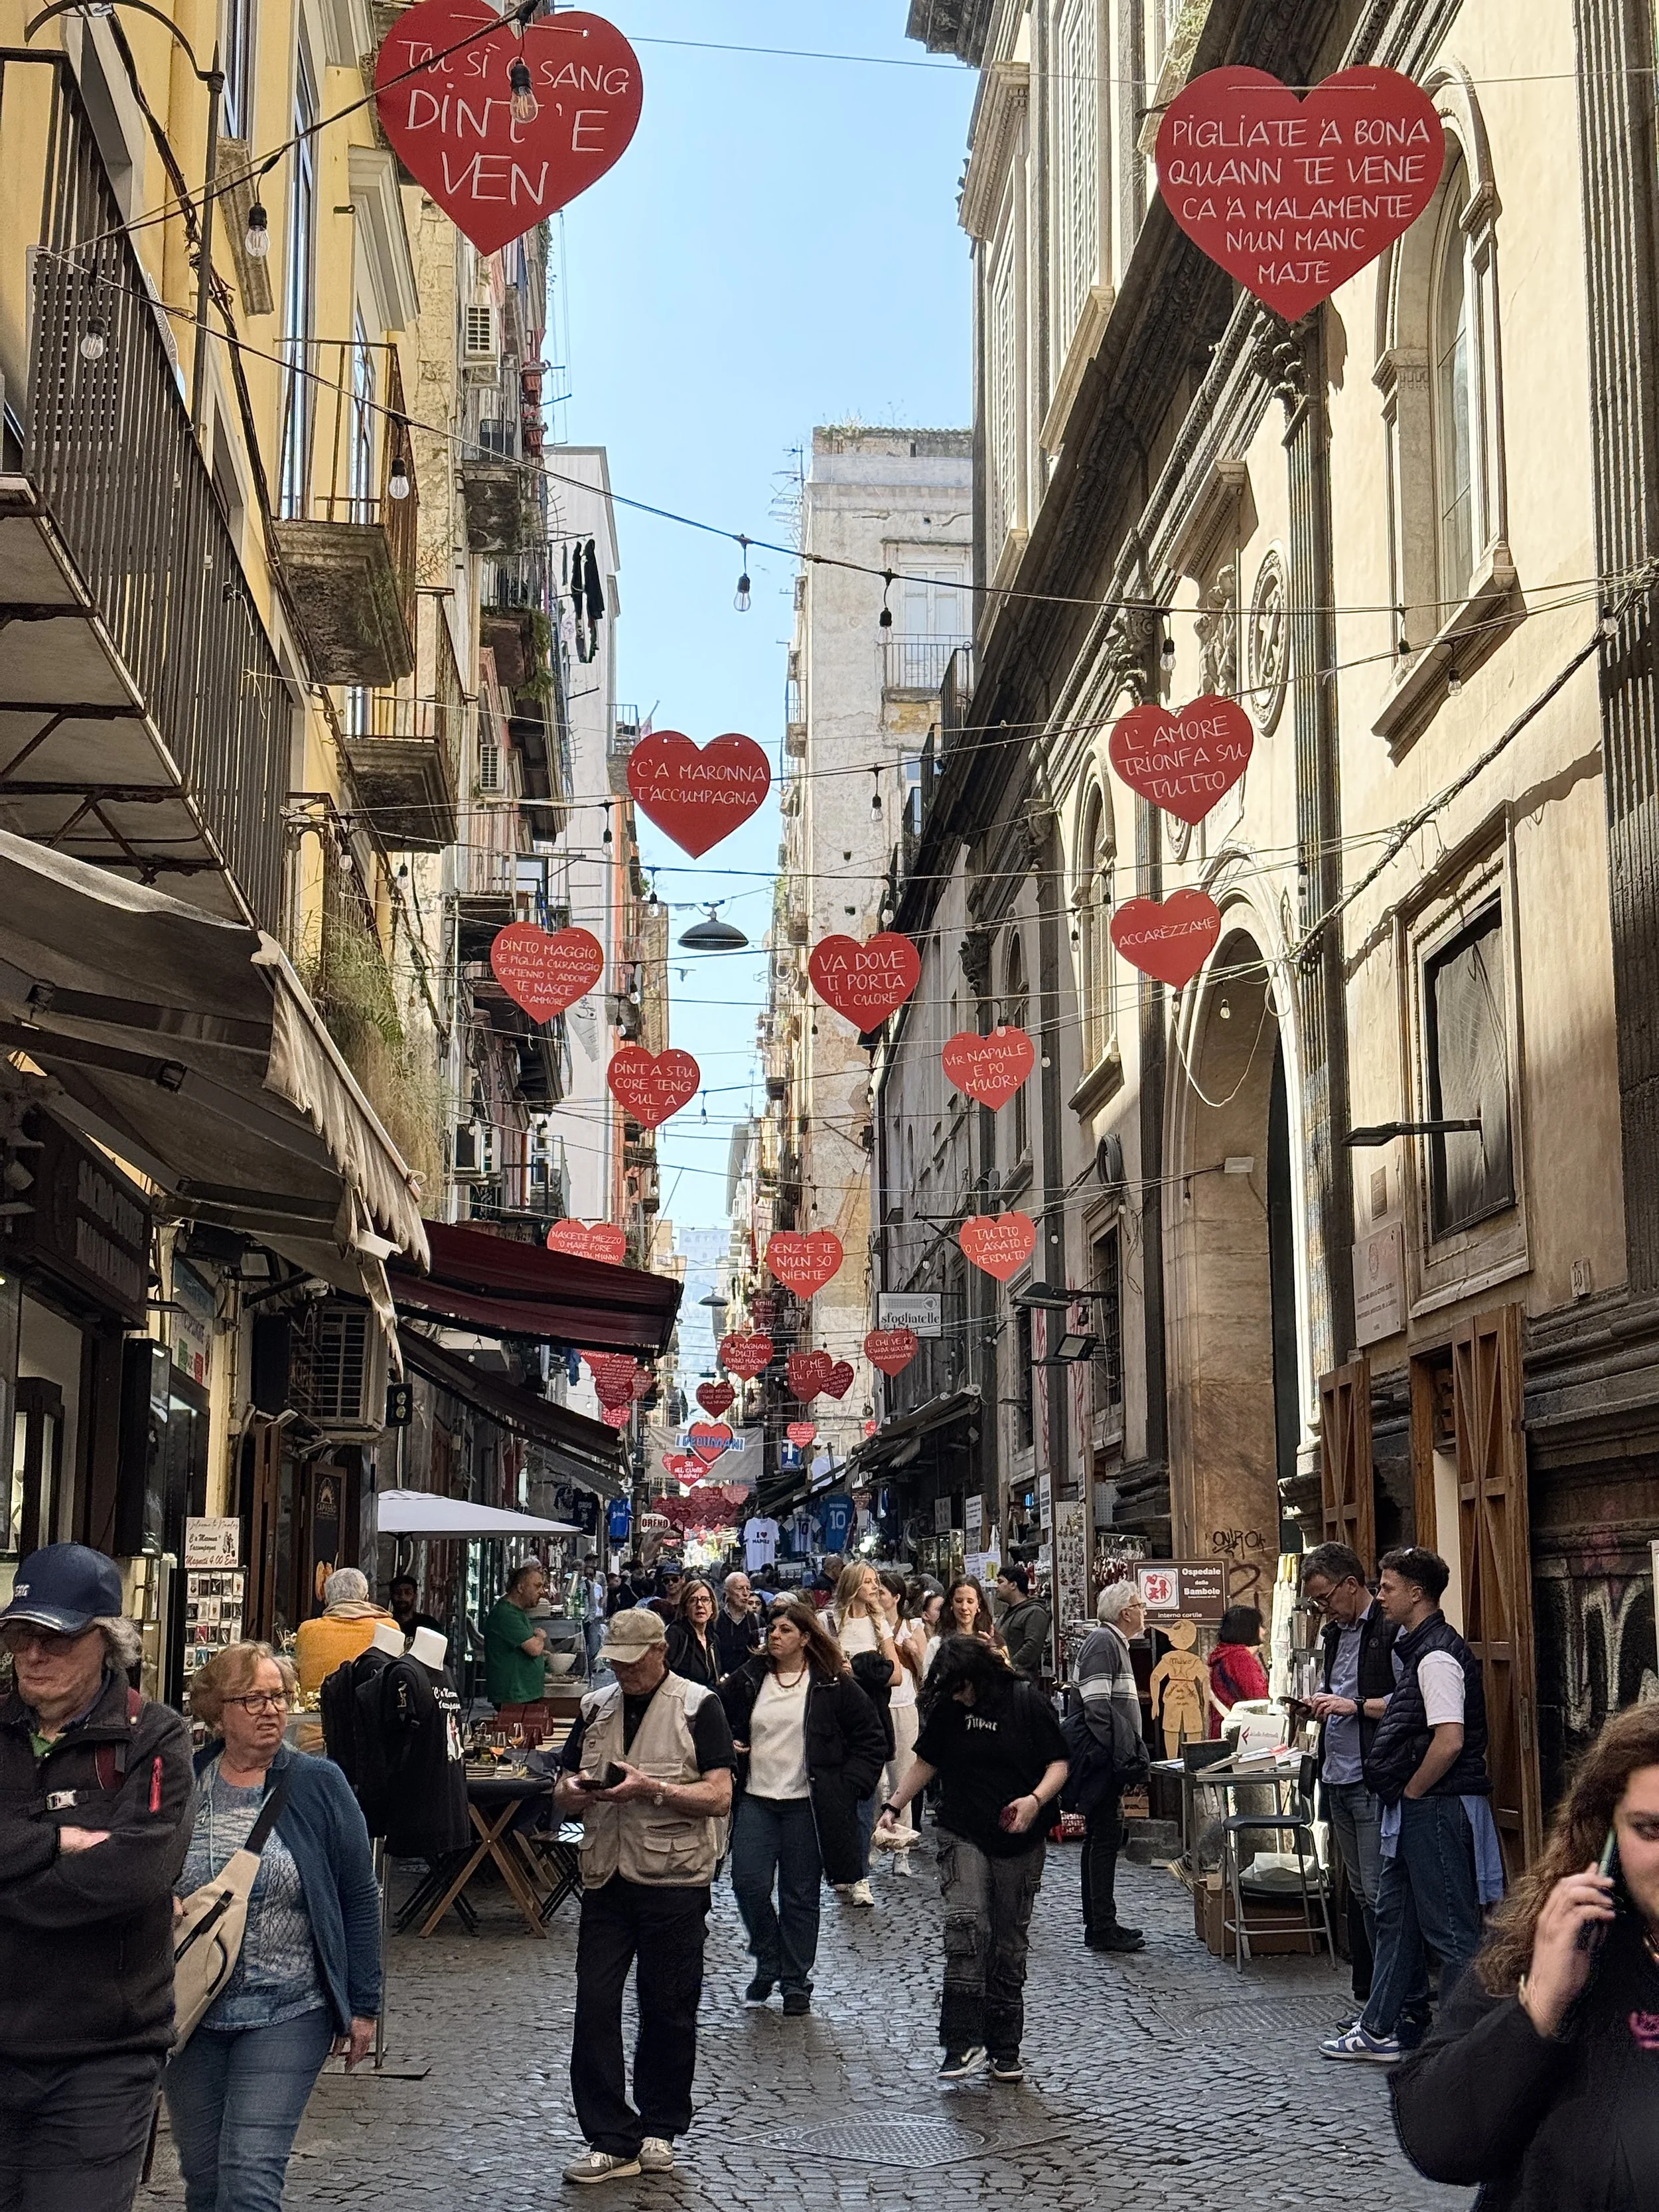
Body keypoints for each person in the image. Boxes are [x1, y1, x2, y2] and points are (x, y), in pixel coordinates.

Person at [1390, 1701, 1659, 2208]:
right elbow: (1439, 2142)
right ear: (1607, 1835)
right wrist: (1538, 2006)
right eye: (1649, 1829)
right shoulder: (1552, 1939)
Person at [0, 1543, 196, 2212]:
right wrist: (57, 1841)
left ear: (107, 1641)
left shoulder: (153, 1737)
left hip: (103, 2056)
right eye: (22, 1636)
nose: (34, 1656)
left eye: (55, 1638)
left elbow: (138, 1874)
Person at [167, 1642, 380, 2212]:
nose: (271, 1709)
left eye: (278, 1696)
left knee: (249, 2178)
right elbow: (142, 1870)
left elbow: (358, 1895)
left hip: (290, 2007)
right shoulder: (184, 1784)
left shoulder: (320, 1783)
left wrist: (363, 2004)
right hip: (191, 2011)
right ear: (217, 1711)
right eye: (252, 1697)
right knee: (205, 2179)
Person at [552, 1608, 735, 2185]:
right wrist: (574, 1794)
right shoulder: (594, 1707)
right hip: (605, 1877)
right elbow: (560, 1791)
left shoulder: (698, 1705)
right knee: (594, 2004)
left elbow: (721, 1795)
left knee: (669, 2007)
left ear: (661, 1652)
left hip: (675, 1877)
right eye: (616, 1661)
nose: (624, 1671)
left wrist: (651, 1789)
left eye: (633, 1661)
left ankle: (660, 2124)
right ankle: (609, 2135)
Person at [1324, 1546, 1496, 2064]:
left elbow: (1449, 1739)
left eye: (1388, 1587)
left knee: (1449, 1927)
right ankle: (1378, 2027)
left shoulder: (1438, 1654)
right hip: (1417, 1804)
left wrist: (1416, 1790)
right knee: (1396, 1916)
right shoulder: (1419, 1648)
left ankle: (1480, 2039)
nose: (1381, 1595)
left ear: (1416, 1593)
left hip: (1434, 1803)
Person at [878, 1635, 1068, 2085]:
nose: (959, 1696)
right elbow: (928, 1761)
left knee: (1008, 1940)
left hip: (1020, 1836)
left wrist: (1035, 1800)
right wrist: (894, 1805)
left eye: (963, 1687)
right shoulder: (949, 1709)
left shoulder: (1026, 1703)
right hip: (962, 1828)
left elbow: (1059, 1762)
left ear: (980, 1677)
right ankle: (962, 2042)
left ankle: (1005, 2045)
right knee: (966, 1925)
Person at [719, 1604, 887, 2017]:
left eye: (785, 1630)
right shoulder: (750, 1678)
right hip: (757, 1799)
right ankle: (769, 1954)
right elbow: (716, 1718)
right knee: (749, 1884)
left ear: (806, 1638)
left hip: (806, 1806)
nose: (774, 1636)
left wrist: (849, 1787)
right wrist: (730, 1748)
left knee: (800, 1896)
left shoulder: (832, 1685)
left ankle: (796, 1981)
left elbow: (871, 1739)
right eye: (772, 1629)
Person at [1302, 1542, 1398, 2024]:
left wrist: (1353, 1705)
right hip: (1336, 1771)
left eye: (1325, 1597)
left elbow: (1407, 1702)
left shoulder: (1387, 1628)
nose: (1322, 1608)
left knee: (1380, 1894)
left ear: (1351, 1584)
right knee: (1361, 1891)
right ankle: (1375, 1999)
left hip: (1369, 1775)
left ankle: (1393, 2001)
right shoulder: (1334, 1633)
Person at [1072, 1581, 1151, 1954]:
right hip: (1104, 1757)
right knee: (1104, 1837)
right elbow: (1097, 1706)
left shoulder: (1112, 1642)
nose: (1145, 1610)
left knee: (1102, 1837)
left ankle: (1102, 1922)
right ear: (1125, 1613)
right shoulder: (1104, 1642)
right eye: (1140, 1604)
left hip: (1107, 1756)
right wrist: (1121, 1753)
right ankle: (1101, 1926)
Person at [831, 1562, 904, 1904]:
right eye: (868, 1582)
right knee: (837, 1802)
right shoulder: (829, 1621)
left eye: (876, 1582)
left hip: (869, 1723)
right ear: (851, 1584)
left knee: (865, 1800)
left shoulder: (880, 1625)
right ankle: (844, 1868)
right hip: (834, 1722)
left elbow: (896, 1676)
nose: (875, 1587)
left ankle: (861, 1876)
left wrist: (857, 1670)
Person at [293, 1568, 394, 1696]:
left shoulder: (307, 1629)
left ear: (327, 1601)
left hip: (315, 1709)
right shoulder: (388, 1627)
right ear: (366, 1599)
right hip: (370, 1711)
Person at [484, 1560, 548, 1709]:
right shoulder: (506, 1614)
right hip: (514, 1695)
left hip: (524, 1694)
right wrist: (540, 1636)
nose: (542, 1592)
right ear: (520, 1588)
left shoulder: (517, 1612)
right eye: (537, 1586)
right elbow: (534, 1649)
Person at [1206, 1603, 1269, 1735]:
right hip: (1243, 1736)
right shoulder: (1240, 1658)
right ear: (1248, 1629)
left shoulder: (1225, 1655)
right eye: (1260, 1626)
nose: (1264, 1631)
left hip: (1225, 1731)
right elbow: (1259, 1701)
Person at [994, 1565, 1052, 1682]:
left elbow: (1032, 1648)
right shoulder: (1007, 1614)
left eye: (1001, 1582)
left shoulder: (1034, 1612)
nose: (997, 1587)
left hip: (1021, 1682)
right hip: (1004, 1681)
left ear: (1013, 1585)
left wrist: (1009, 1667)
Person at [664, 1579, 721, 1690]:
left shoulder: (713, 1639)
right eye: (692, 1600)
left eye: (705, 1600)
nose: (699, 1605)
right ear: (685, 1608)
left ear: (712, 1607)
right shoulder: (676, 1635)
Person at [711, 1572, 762, 1678]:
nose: (745, 1593)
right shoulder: (715, 1621)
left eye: (748, 1589)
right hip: (724, 1682)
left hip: (750, 1682)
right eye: (739, 1589)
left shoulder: (757, 1621)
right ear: (728, 1592)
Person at [940, 1574, 1000, 1647]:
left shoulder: (993, 1640)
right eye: (959, 1601)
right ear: (951, 1602)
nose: (964, 1607)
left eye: (970, 1602)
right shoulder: (937, 1643)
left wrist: (992, 1652)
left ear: (978, 1603)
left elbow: (1005, 1658)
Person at [386, 1574, 443, 1642]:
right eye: (397, 1593)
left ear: (415, 1596)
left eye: (408, 1593)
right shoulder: (386, 1624)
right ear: (391, 1596)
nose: (402, 1597)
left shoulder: (429, 1625)